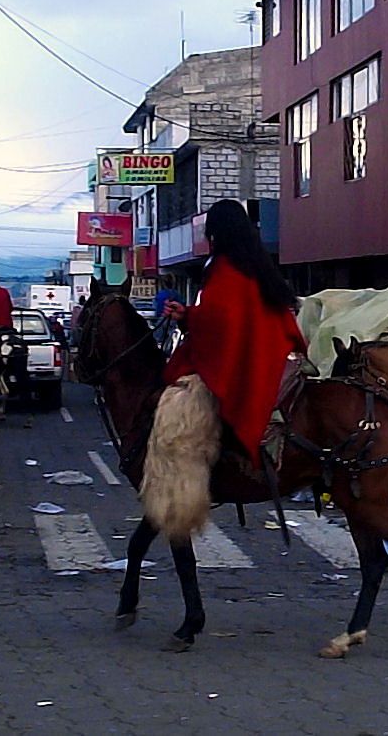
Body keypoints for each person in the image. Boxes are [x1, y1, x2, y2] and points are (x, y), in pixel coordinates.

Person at [147, 199, 306, 528]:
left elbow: (219, 323)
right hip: (269, 353)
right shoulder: (257, 264)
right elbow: (228, 318)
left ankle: (191, 485)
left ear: (216, 232)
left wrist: (188, 318)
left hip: (245, 360)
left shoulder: (225, 268)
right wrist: (189, 315)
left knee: (179, 412)